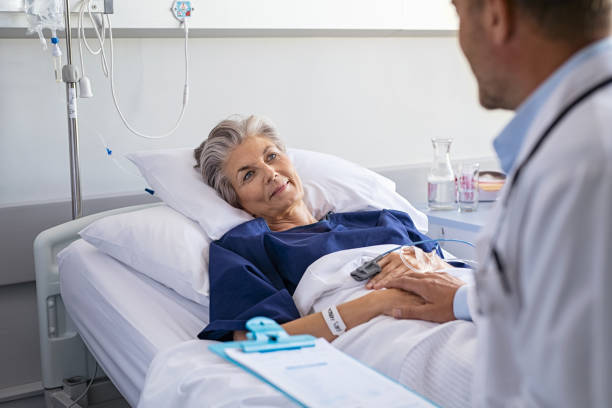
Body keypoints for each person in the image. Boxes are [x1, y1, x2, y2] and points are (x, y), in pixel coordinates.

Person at [370, 0, 612, 405]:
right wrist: (462, 298)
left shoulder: (583, 164)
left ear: (497, 16)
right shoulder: (578, 139)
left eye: (459, 15)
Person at [192, 115, 464, 343]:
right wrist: (381, 301)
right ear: (236, 200)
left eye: (272, 156)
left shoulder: (381, 219)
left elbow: (457, 270)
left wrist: (426, 261)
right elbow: (255, 339)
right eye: (248, 174)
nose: (270, 173)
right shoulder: (247, 246)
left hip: (462, 299)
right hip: (392, 331)